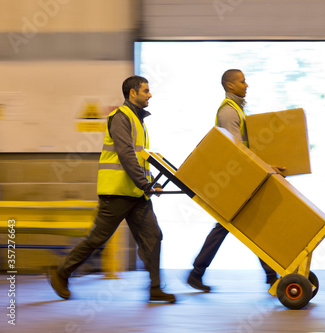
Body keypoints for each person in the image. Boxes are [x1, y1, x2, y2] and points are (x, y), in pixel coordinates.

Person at [49, 75, 175, 303]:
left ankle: (155, 287)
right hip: (116, 193)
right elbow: (126, 155)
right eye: (146, 91)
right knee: (97, 239)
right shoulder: (120, 118)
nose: (150, 95)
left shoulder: (139, 121)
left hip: (136, 194)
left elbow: (140, 158)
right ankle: (61, 272)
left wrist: (150, 181)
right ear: (133, 93)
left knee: (153, 236)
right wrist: (144, 183)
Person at [186, 69, 285, 292]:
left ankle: (198, 273)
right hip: (235, 180)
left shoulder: (237, 110)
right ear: (230, 86)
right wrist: (267, 168)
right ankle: (271, 275)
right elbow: (238, 150)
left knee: (234, 226)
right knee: (241, 226)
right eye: (242, 81)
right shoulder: (229, 113)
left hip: (238, 178)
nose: (246, 85)